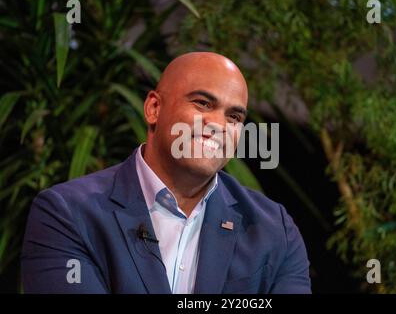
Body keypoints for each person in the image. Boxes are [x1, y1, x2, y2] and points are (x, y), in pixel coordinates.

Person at [21, 52, 311, 293]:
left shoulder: (275, 230)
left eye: (234, 117)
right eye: (202, 103)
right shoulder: (67, 214)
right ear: (154, 108)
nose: (219, 125)